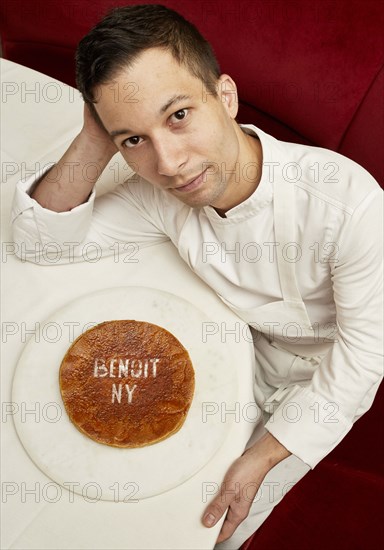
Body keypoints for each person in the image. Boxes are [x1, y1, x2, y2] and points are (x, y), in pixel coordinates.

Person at [11, 4, 383, 549]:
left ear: (225, 96)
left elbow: (364, 357)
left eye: (179, 115)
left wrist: (260, 457)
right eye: (134, 140)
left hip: (324, 378)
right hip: (228, 346)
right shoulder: (158, 197)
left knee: (218, 532)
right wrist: (98, 137)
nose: (170, 163)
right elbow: (39, 243)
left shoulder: (349, 203)